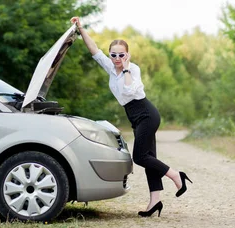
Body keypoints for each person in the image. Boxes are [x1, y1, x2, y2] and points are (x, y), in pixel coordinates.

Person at [70, 17, 192, 217]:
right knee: (149, 158)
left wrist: (126, 68)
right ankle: (155, 202)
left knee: (140, 157)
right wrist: (81, 29)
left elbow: (128, 89)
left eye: (121, 54)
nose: (117, 58)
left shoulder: (133, 69)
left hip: (147, 114)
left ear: (127, 55)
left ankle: (176, 175)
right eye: (113, 55)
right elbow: (94, 51)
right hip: (135, 117)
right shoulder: (110, 68)